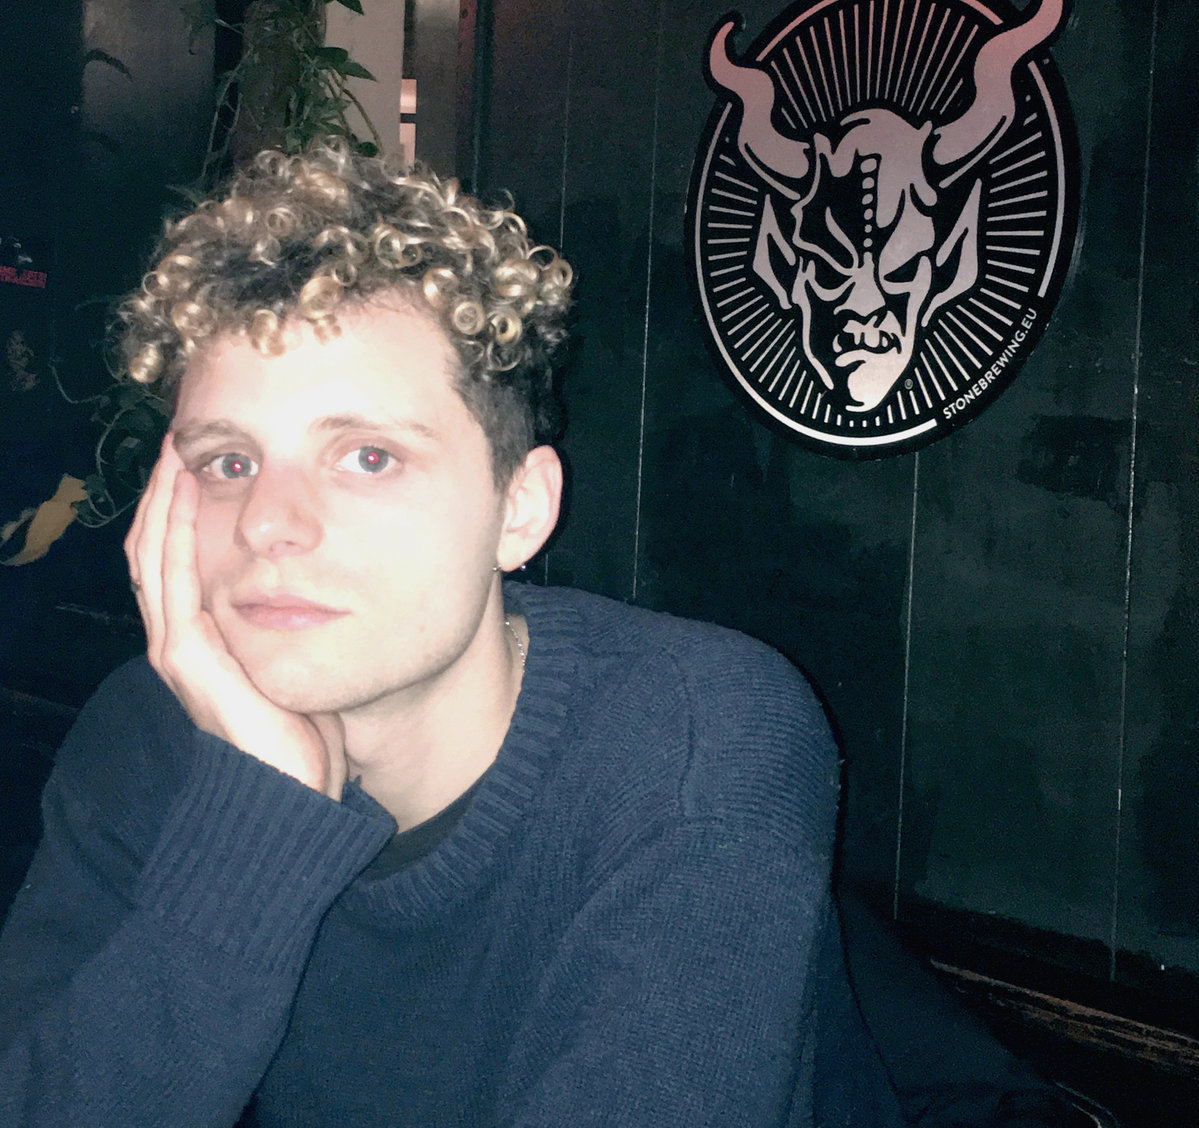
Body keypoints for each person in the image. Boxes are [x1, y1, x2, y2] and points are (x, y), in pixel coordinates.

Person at [0, 139, 904, 1127]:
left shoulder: (695, 738)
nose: (267, 524)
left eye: (368, 457)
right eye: (228, 463)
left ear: (519, 509)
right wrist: (255, 814)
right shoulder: (144, 735)